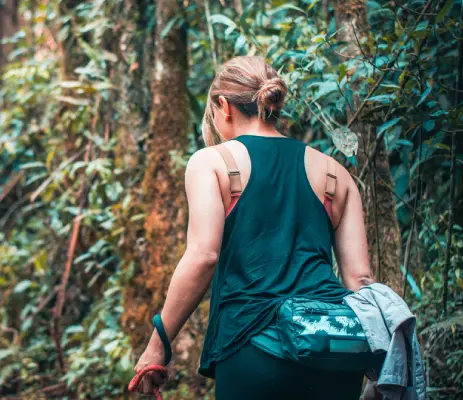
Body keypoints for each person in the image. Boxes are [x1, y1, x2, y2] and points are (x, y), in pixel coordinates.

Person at [132, 56, 377, 400]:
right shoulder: (334, 172)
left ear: (223, 106)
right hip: (334, 348)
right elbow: (361, 281)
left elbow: (203, 255)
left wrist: (158, 345)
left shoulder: (213, 162)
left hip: (254, 348)